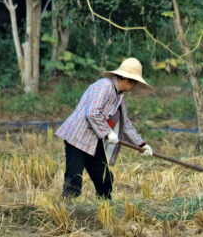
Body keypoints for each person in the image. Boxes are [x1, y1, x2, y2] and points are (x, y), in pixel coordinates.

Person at [56, 57, 154, 200]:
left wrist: (141, 144)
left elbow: (125, 124)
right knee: (74, 179)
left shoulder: (119, 97)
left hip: (94, 140)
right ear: (127, 80)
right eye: (136, 83)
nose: (136, 86)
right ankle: (67, 209)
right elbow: (92, 112)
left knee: (105, 178)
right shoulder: (104, 86)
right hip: (77, 137)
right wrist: (107, 132)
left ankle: (105, 206)